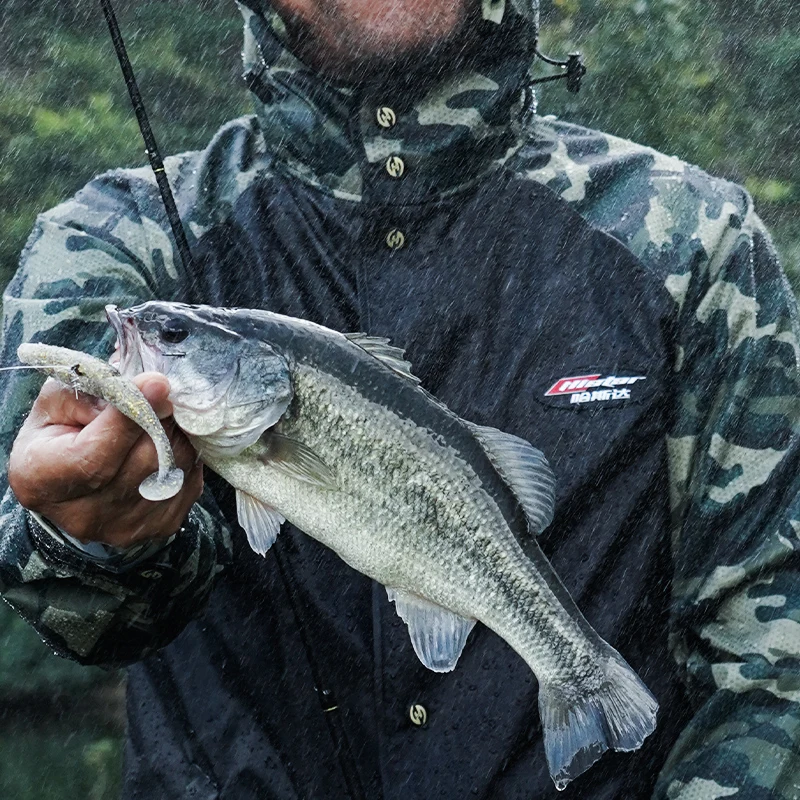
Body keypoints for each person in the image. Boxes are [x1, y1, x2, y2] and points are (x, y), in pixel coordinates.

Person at [1, 0, 798, 797]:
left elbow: (775, 669)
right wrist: (89, 543)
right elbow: (81, 614)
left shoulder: (696, 247)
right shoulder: (113, 244)